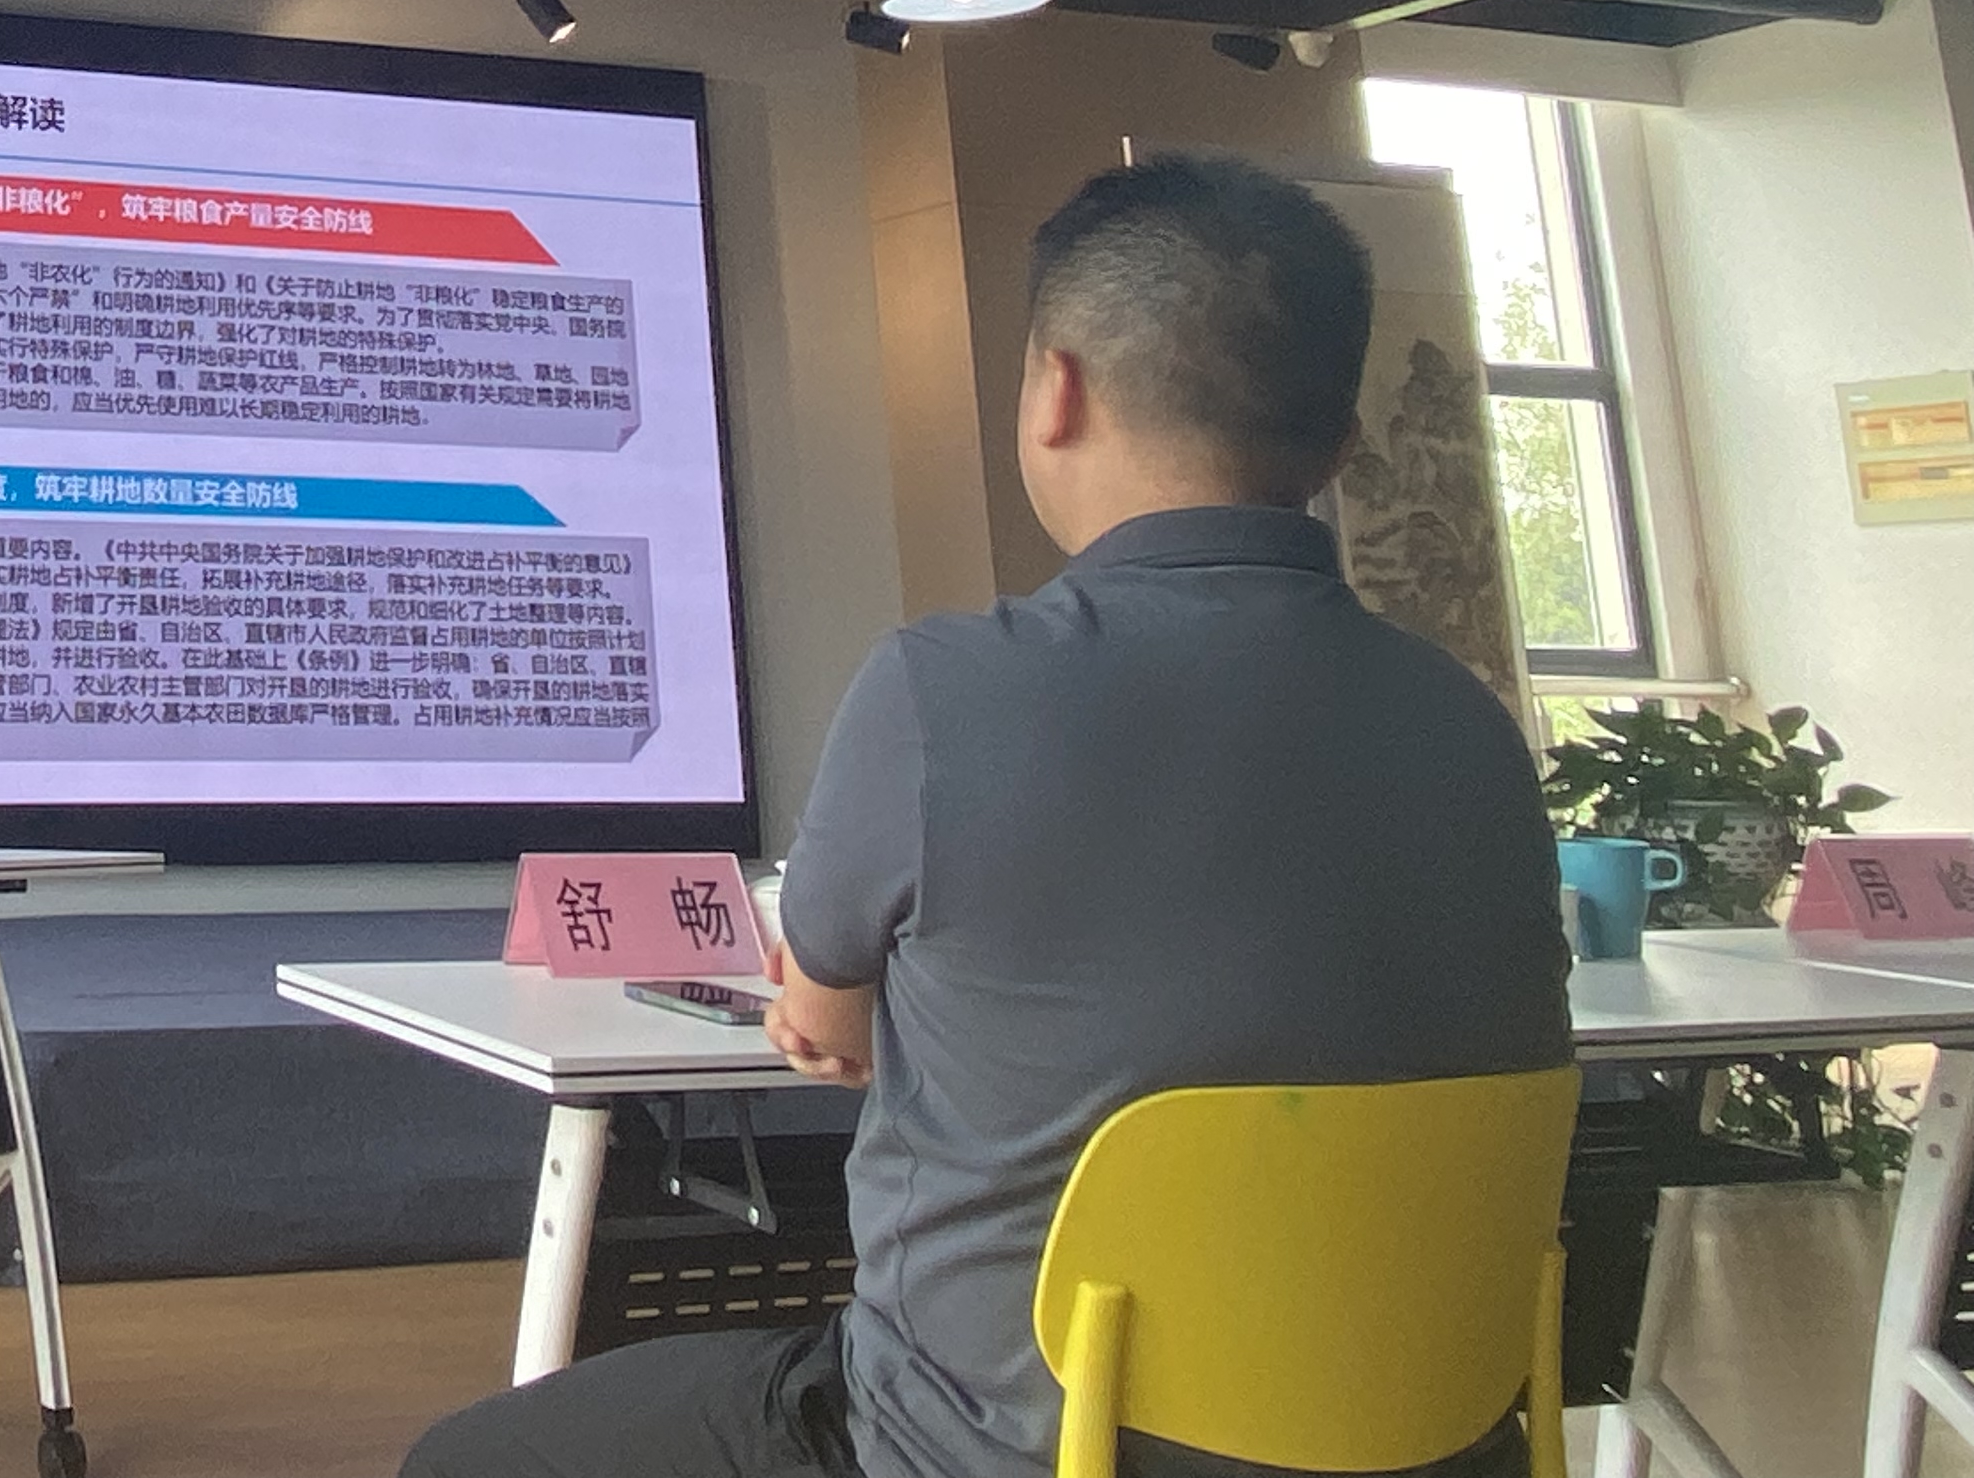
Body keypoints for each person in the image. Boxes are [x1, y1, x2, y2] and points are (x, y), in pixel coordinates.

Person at [403, 151, 1570, 1478]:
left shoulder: (943, 693)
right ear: (1344, 445)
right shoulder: (1473, 729)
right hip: (1440, 1444)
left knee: (472, 1462)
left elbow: (821, 1020)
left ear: (1055, 390)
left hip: (1004, 1449)